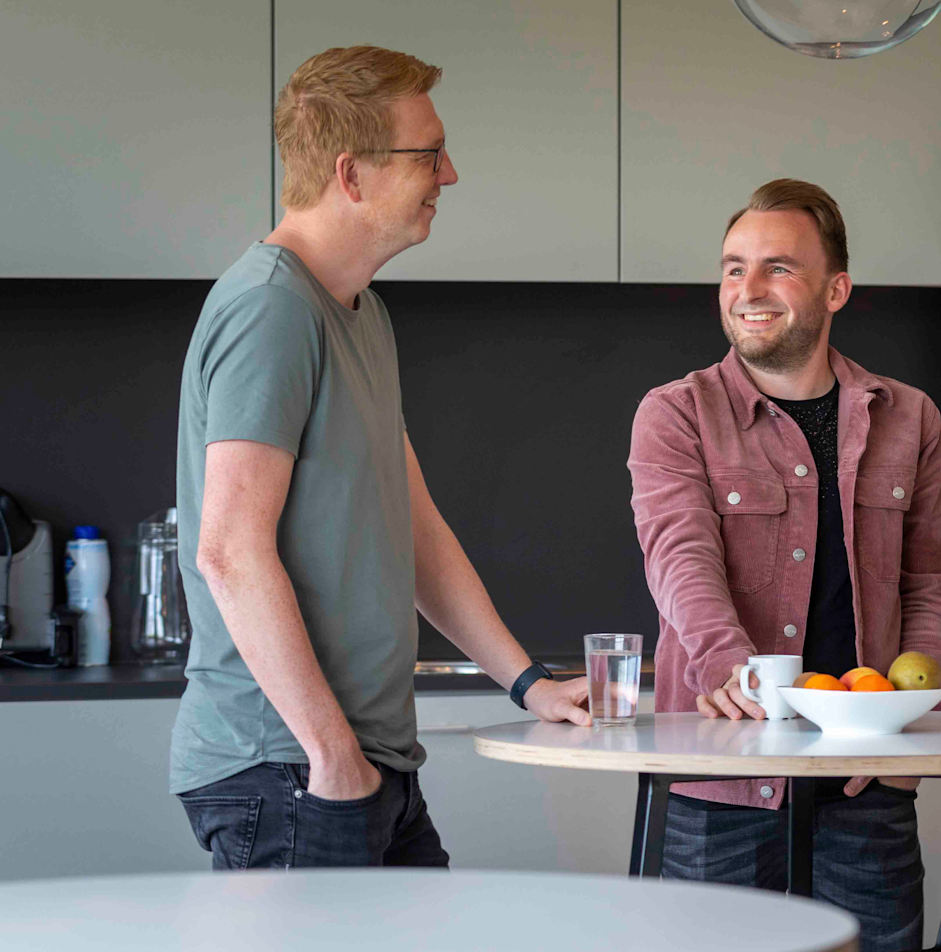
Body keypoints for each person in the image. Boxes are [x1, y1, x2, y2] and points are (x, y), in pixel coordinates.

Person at [169, 45, 590, 871]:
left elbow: (417, 529)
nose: (451, 174)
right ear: (350, 173)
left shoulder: (358, 311)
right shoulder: (272, 313)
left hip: (357, 764)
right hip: (289, 768)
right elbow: (227, 550)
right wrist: (333, 758)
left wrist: (525, 681)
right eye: (428, 153)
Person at [627, 178, 941, 952]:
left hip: (864, 778)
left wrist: (902, 725)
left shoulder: (907, 416)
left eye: (777, 267)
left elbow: (932, 582)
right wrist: (736, 675)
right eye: (733, 267)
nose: (748, 289)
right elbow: (679, 557)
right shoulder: (677, 413)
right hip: (721, 778)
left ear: (835, 288)